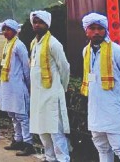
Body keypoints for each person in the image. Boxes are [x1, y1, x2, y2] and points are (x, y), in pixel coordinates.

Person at [80, 13, 120, 162]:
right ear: (86, 31)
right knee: (102, 148)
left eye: (100, 28)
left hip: (114, 110)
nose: (96, 32)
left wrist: (117, 95)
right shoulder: (86, 51)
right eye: (92, 28)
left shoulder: (118, 51)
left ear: (106, 30)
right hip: (95, 110)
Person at [29, 10, 71, 162]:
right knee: (42, 127)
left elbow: (64, 67)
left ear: (47, 24)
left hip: (52, 92)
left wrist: (63, 88)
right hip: (37, 93)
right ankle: (50, 157)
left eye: (40, 22)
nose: (37, 25)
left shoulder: (53, 43)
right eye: (35, 22)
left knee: (55, 129)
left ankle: (63, 158)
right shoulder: (34, 43)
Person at [0, 19, 34, 156]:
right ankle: (18, 140)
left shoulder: (19, 45)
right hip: (8, 85)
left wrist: (28, 83)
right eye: (4, 30)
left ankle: (28, 143)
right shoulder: (8, 45)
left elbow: (26, 66)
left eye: (8, 30)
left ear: (15, 31)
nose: (5, 32)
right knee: (12, 114)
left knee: (22, 115)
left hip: (18, 85)